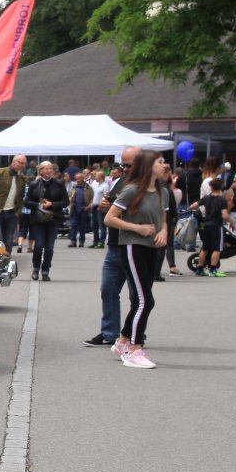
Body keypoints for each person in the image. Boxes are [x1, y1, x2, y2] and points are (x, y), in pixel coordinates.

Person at [103, 149, 169, 369]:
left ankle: (122, 341)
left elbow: (163, 220)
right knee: (145, 301)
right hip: (132, 246)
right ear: (148, 166)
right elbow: (109, 218)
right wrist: (136, 228)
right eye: (160, 162)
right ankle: (134, 349)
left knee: (141, 299)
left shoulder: (162, 192)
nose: (164, 165)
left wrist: (164, 231)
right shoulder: (131, 190)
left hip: (152, 248)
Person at [84, 146, 140, 348]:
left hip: (135, 246)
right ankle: (109, 333)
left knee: (137, 296)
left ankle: (135, 335)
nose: (125, 168)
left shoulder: (149, 185)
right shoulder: (120, 182)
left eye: (129, 165)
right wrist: (107, 206)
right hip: (115, 244)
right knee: (107, 290)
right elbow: (109, 208)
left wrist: (117, 211)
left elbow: (148, 214)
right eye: (123, 165)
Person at [25, 161, 68, 280]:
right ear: (41, 171)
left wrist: (52, 204)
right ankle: (36, 268)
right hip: (38, 219)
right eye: (46, 169)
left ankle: (45, 270)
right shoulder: (34, 184)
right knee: (38, 245)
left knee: (49, 247)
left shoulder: (59, 183)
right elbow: (27, 202)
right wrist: (38, 205)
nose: (49, 171)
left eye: (50, 169)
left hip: (53, 219)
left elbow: (66, 201)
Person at [197, 178, 231, 276]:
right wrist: (232, 224)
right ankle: (213, 269)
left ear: (211, 187)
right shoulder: (221, 200)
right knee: (217, 248)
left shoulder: (206, 198)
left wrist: (190, 208)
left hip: (206, 224)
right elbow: (225, 215)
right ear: (221, 188)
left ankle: (199, 269)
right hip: (216, 225)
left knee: (205, 248)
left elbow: (194, 205)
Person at [68, 171, 89, 247]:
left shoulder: (88, 188)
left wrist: (88, 206)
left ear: (83, 179)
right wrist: (70, 204)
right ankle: (73, 241)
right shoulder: (73, 187)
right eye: (76, 179)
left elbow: (92, 198)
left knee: (82, 226)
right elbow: (70, 196)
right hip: (74, 209)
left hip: (84, 209)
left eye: (79, 178)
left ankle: (81, 241)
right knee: (73, 225)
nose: (78, 180)